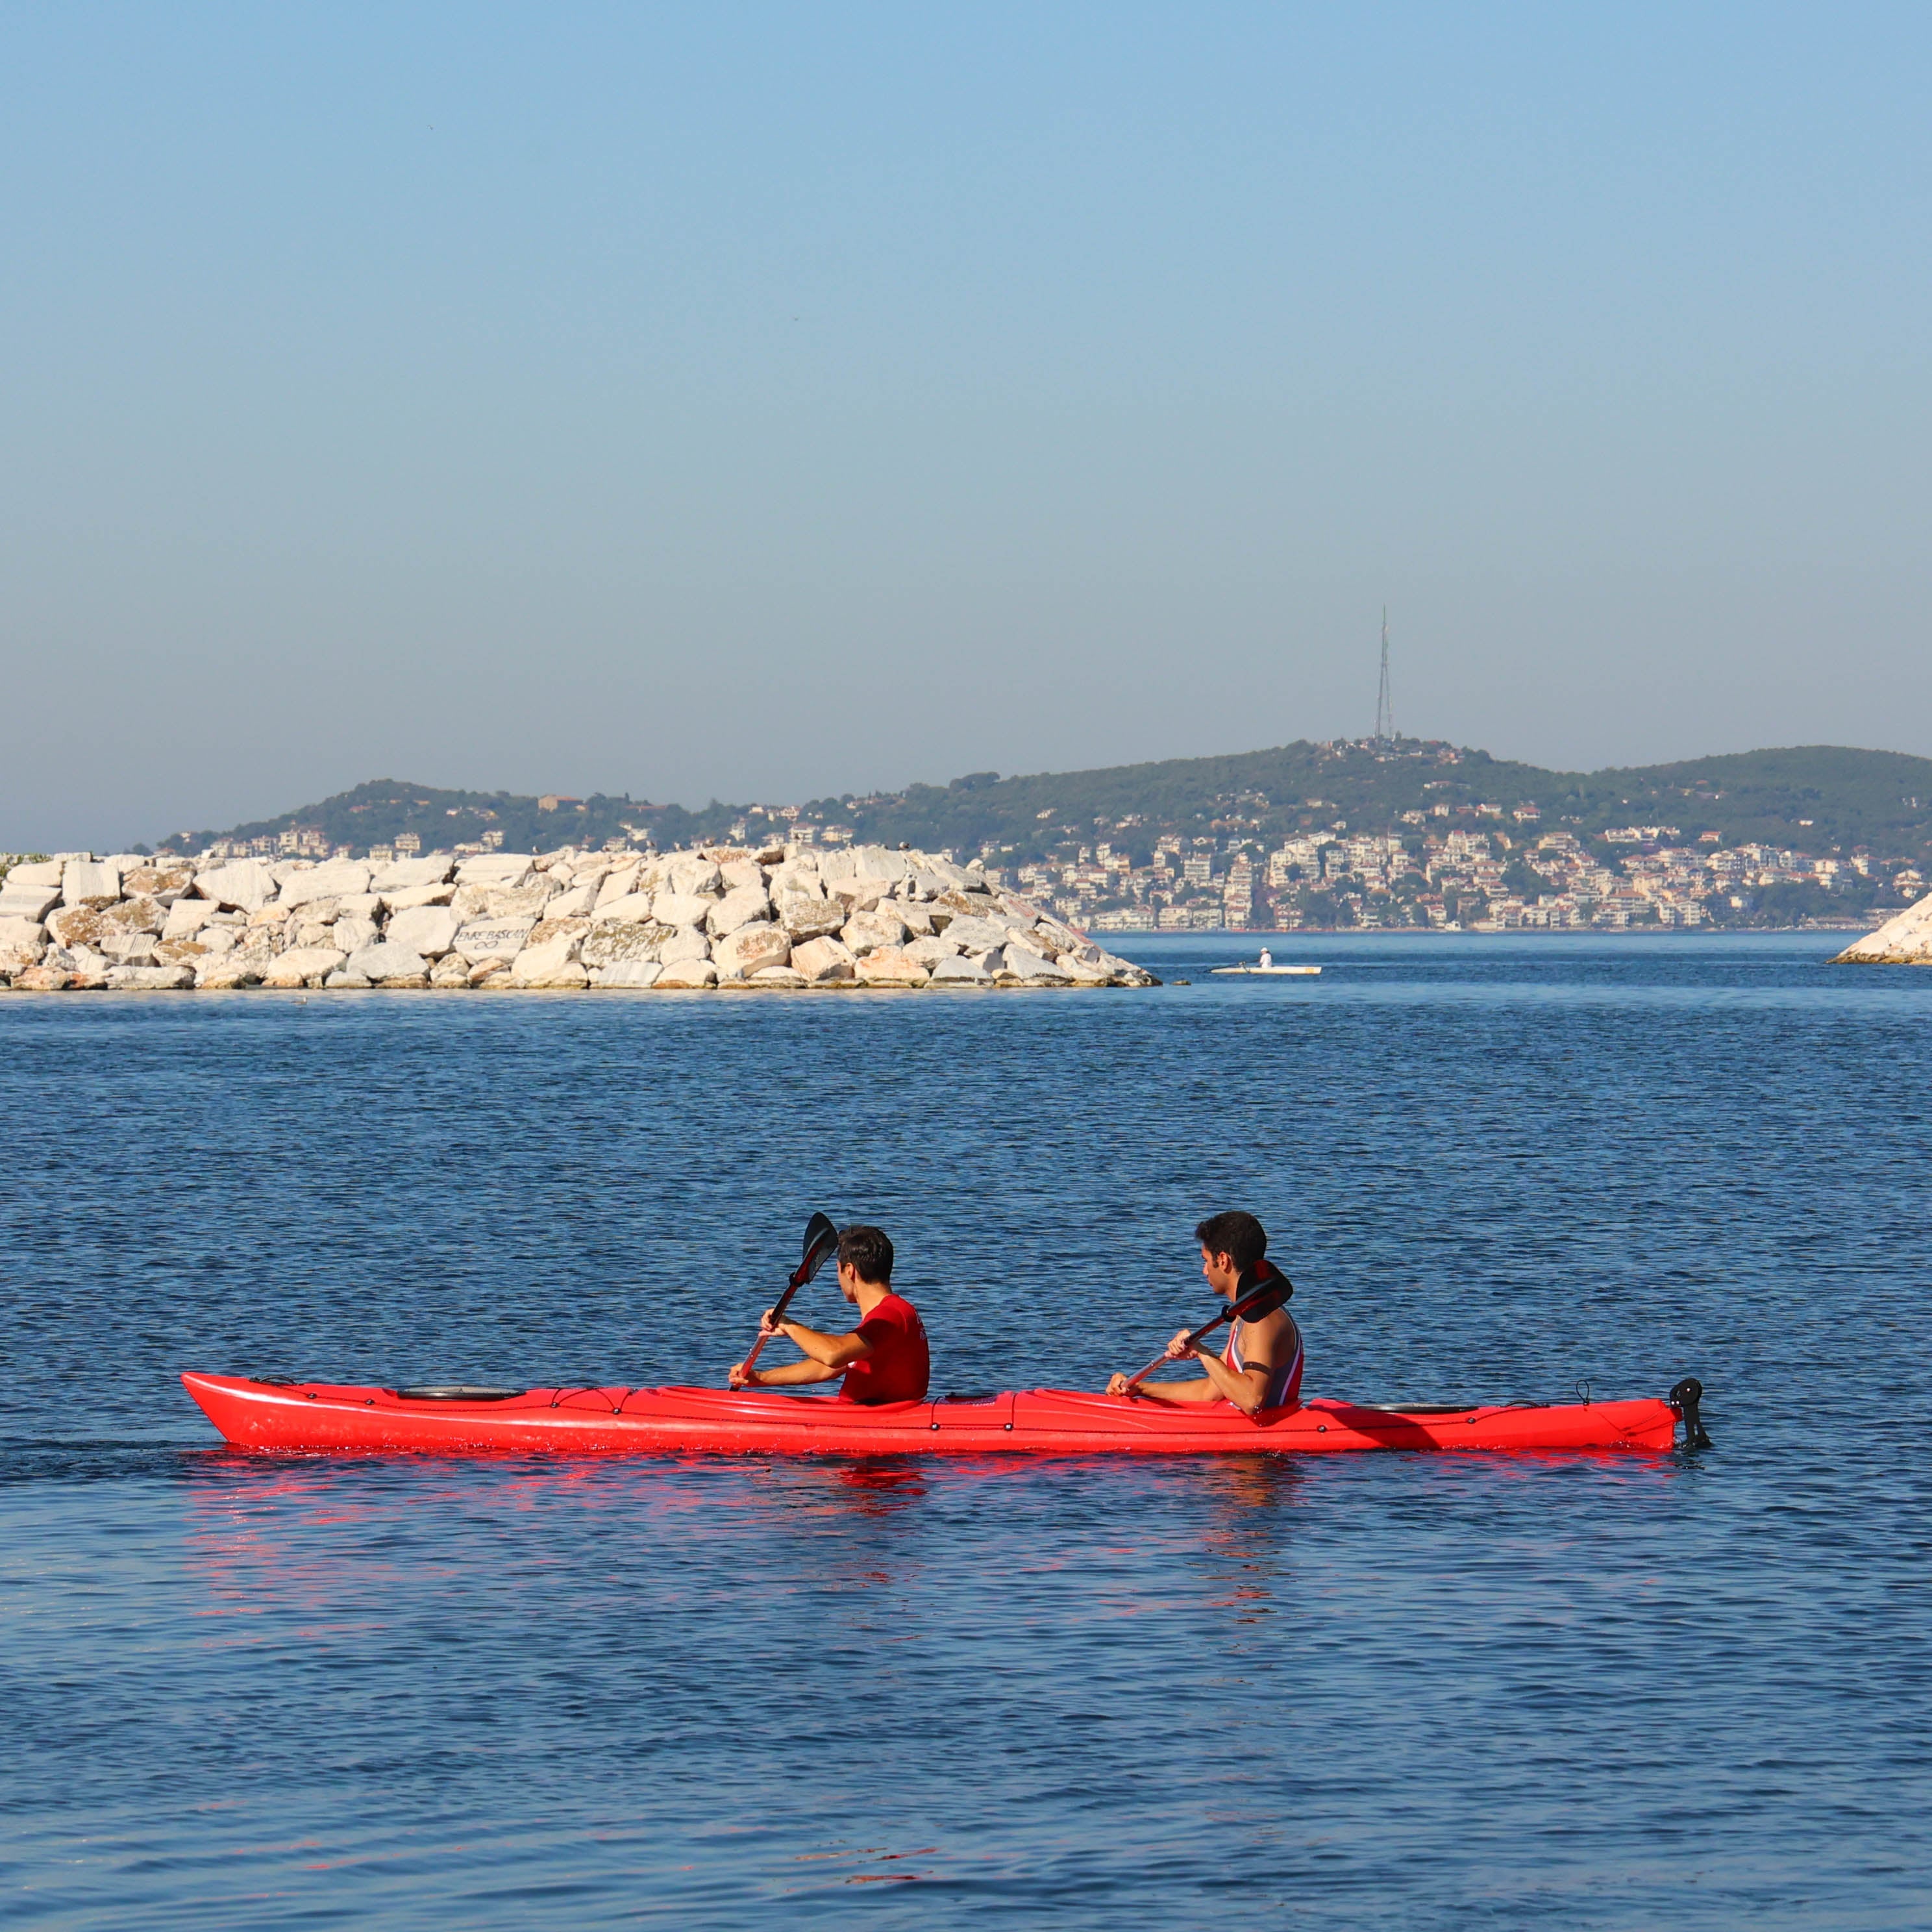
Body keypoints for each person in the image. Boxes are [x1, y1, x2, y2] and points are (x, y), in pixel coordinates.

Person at [1106, 1211, 1303, 1414]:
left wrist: (1201, 1351)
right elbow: (1211, 1391)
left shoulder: (1262, 1320)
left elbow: (1252, 1400)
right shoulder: (1244, 1316)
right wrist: (1140, 1389)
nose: (1205, 1271)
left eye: (1206, 1260)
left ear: (1223, 1260)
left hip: (1265, 1432)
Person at [728, 1224, 930, 1403]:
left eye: (838, 1270)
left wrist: (789, 1326)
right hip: (873, 1414)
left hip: (873, 1420)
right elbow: (829, 1367)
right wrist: (761, 1379)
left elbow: (832, 1355)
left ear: (849, 1271)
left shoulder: (889, 1315)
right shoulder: (896, 1312)